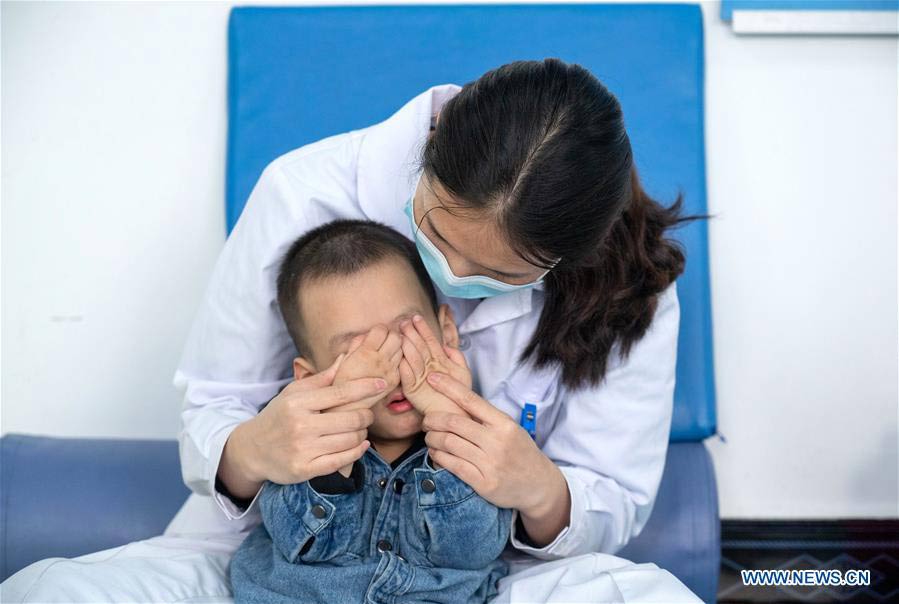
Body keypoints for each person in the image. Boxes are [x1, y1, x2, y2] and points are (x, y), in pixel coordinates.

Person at [2, 58, 705, 602]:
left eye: (499, 274)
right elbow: (214, 404)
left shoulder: (627, 282)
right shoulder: (303, 194)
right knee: (46, 591)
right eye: (436, 233)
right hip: (266, 568)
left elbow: (611, 495)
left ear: (563, 258)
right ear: (431, 149)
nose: (452, 279)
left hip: (488, 579)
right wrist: (257, 448)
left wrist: (536, 487)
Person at [229, 219, 513, 603]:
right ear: (309, 379)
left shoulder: (478, 435)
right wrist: (339, 427)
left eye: (405, 336)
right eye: (359, 354)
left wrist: (450, 422)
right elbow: (303, 542)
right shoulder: (294, 438)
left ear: (446, 332)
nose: (392, 370)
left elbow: (472, 550)